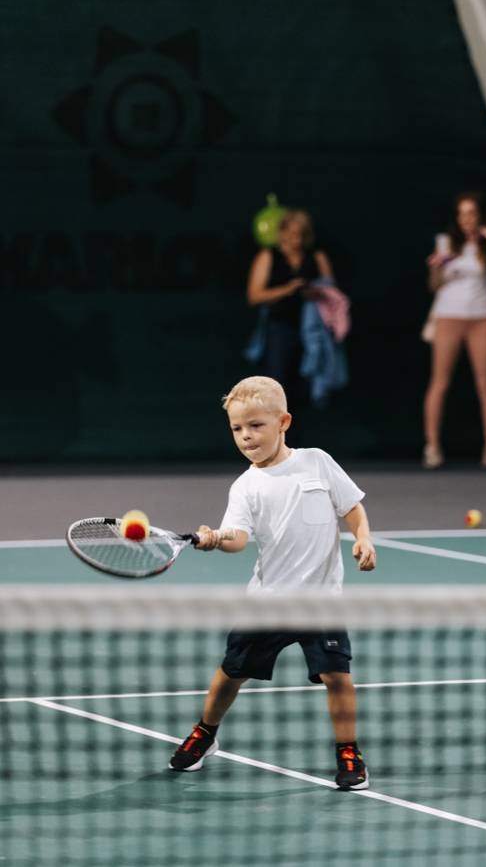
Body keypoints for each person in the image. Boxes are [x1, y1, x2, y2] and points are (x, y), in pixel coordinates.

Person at [168, 375, 376, 790]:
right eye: (237, 429)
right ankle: (206, 733)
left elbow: (351, 506)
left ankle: (348, 751)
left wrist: (363, 537)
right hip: (267, 604)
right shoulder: (245, 487)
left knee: (338, 677)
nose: (246, 436)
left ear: (284, 422)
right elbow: (238, 538)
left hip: (322, 603)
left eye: (256, 426)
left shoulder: (317, 461)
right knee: (231, 673)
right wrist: (215, 539)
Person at [422, 192, 486, 469]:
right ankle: (432, 446)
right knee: (440, 382)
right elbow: (434, 285)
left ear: (480, 215)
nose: (467, 219)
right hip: (449, 317)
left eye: (472, 213)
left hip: (482, 319)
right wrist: (436, 268)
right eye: (462, 214)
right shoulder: (446, 242)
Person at [246, 210, 335, 422]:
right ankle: (274, 440)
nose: (296, 239)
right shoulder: (269, 256)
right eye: (292, 233)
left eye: (301, 234)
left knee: (307, 383)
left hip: (312, 331)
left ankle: (297, 440)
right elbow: (254, 295)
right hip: (280, 327)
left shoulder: (316, 257)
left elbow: (332, 294)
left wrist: (314, 292)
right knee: (276, 383)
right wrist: (287, 290)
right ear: (282, 233)